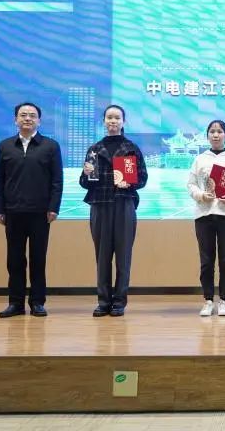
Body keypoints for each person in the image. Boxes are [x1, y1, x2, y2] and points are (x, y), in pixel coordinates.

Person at [0, 102, 63, 318]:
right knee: (14, 260)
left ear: (39, 121)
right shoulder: (5, 146)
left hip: (41, 213)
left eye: (32, 115)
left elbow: (57, 181)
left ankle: (37, 302)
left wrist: (53, 207)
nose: (27, 118)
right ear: (16, 119)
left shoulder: (50, 146)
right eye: (23, 115)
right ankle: (15, 303)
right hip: (13, 212)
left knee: (38, 259)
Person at [80, 105, 148, 317]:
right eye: (109, 117)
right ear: (104, 121)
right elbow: (85, 182)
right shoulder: (94, 149)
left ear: (123, 122)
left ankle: (119, 301)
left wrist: (130, 183)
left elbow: (143, 178)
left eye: (117, 118)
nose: (113, 121)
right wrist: (86, 174)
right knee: (102, 256)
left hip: (124, 204)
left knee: (123, 256)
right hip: (100, 205)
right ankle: (103, 301)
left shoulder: (131, 148)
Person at [187, 120, 225, 317]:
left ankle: (223, 300)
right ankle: (207, 300)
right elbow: (191, 184)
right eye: (212, 131)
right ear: (207, 136)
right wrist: (201, 196)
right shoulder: (199, 159)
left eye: (219, 131)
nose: (215, 135)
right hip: (204, 215)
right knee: (206, 261)